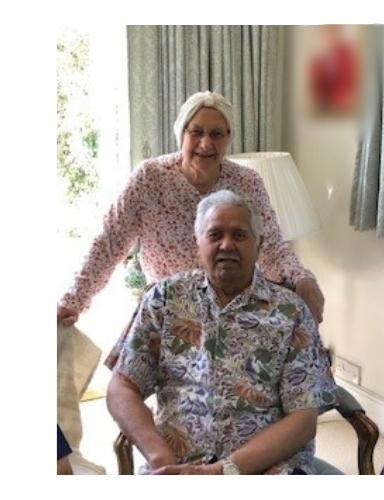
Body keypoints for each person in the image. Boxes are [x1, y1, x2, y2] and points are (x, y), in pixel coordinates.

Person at [107, 190, 335, 474]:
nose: (227, 245)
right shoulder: (164, 298)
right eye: (215, 235)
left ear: (259, 243)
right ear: (198, 243)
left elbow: (303, 417)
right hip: (177, 467)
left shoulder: (291, 312)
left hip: (268, 469)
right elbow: (122, 386)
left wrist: (222, 472)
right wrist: (159, 457)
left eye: (239, 235)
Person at [57, 91, 325, 332]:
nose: (206, 144)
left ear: (228, 139)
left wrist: (302, 278)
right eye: (196, 132)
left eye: (217, 134)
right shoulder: (150, 178)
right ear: (181, 134)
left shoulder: (248, 182)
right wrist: (73, 302)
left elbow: (272, 248)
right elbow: (109, 243)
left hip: (234, 311)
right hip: (169, 310)